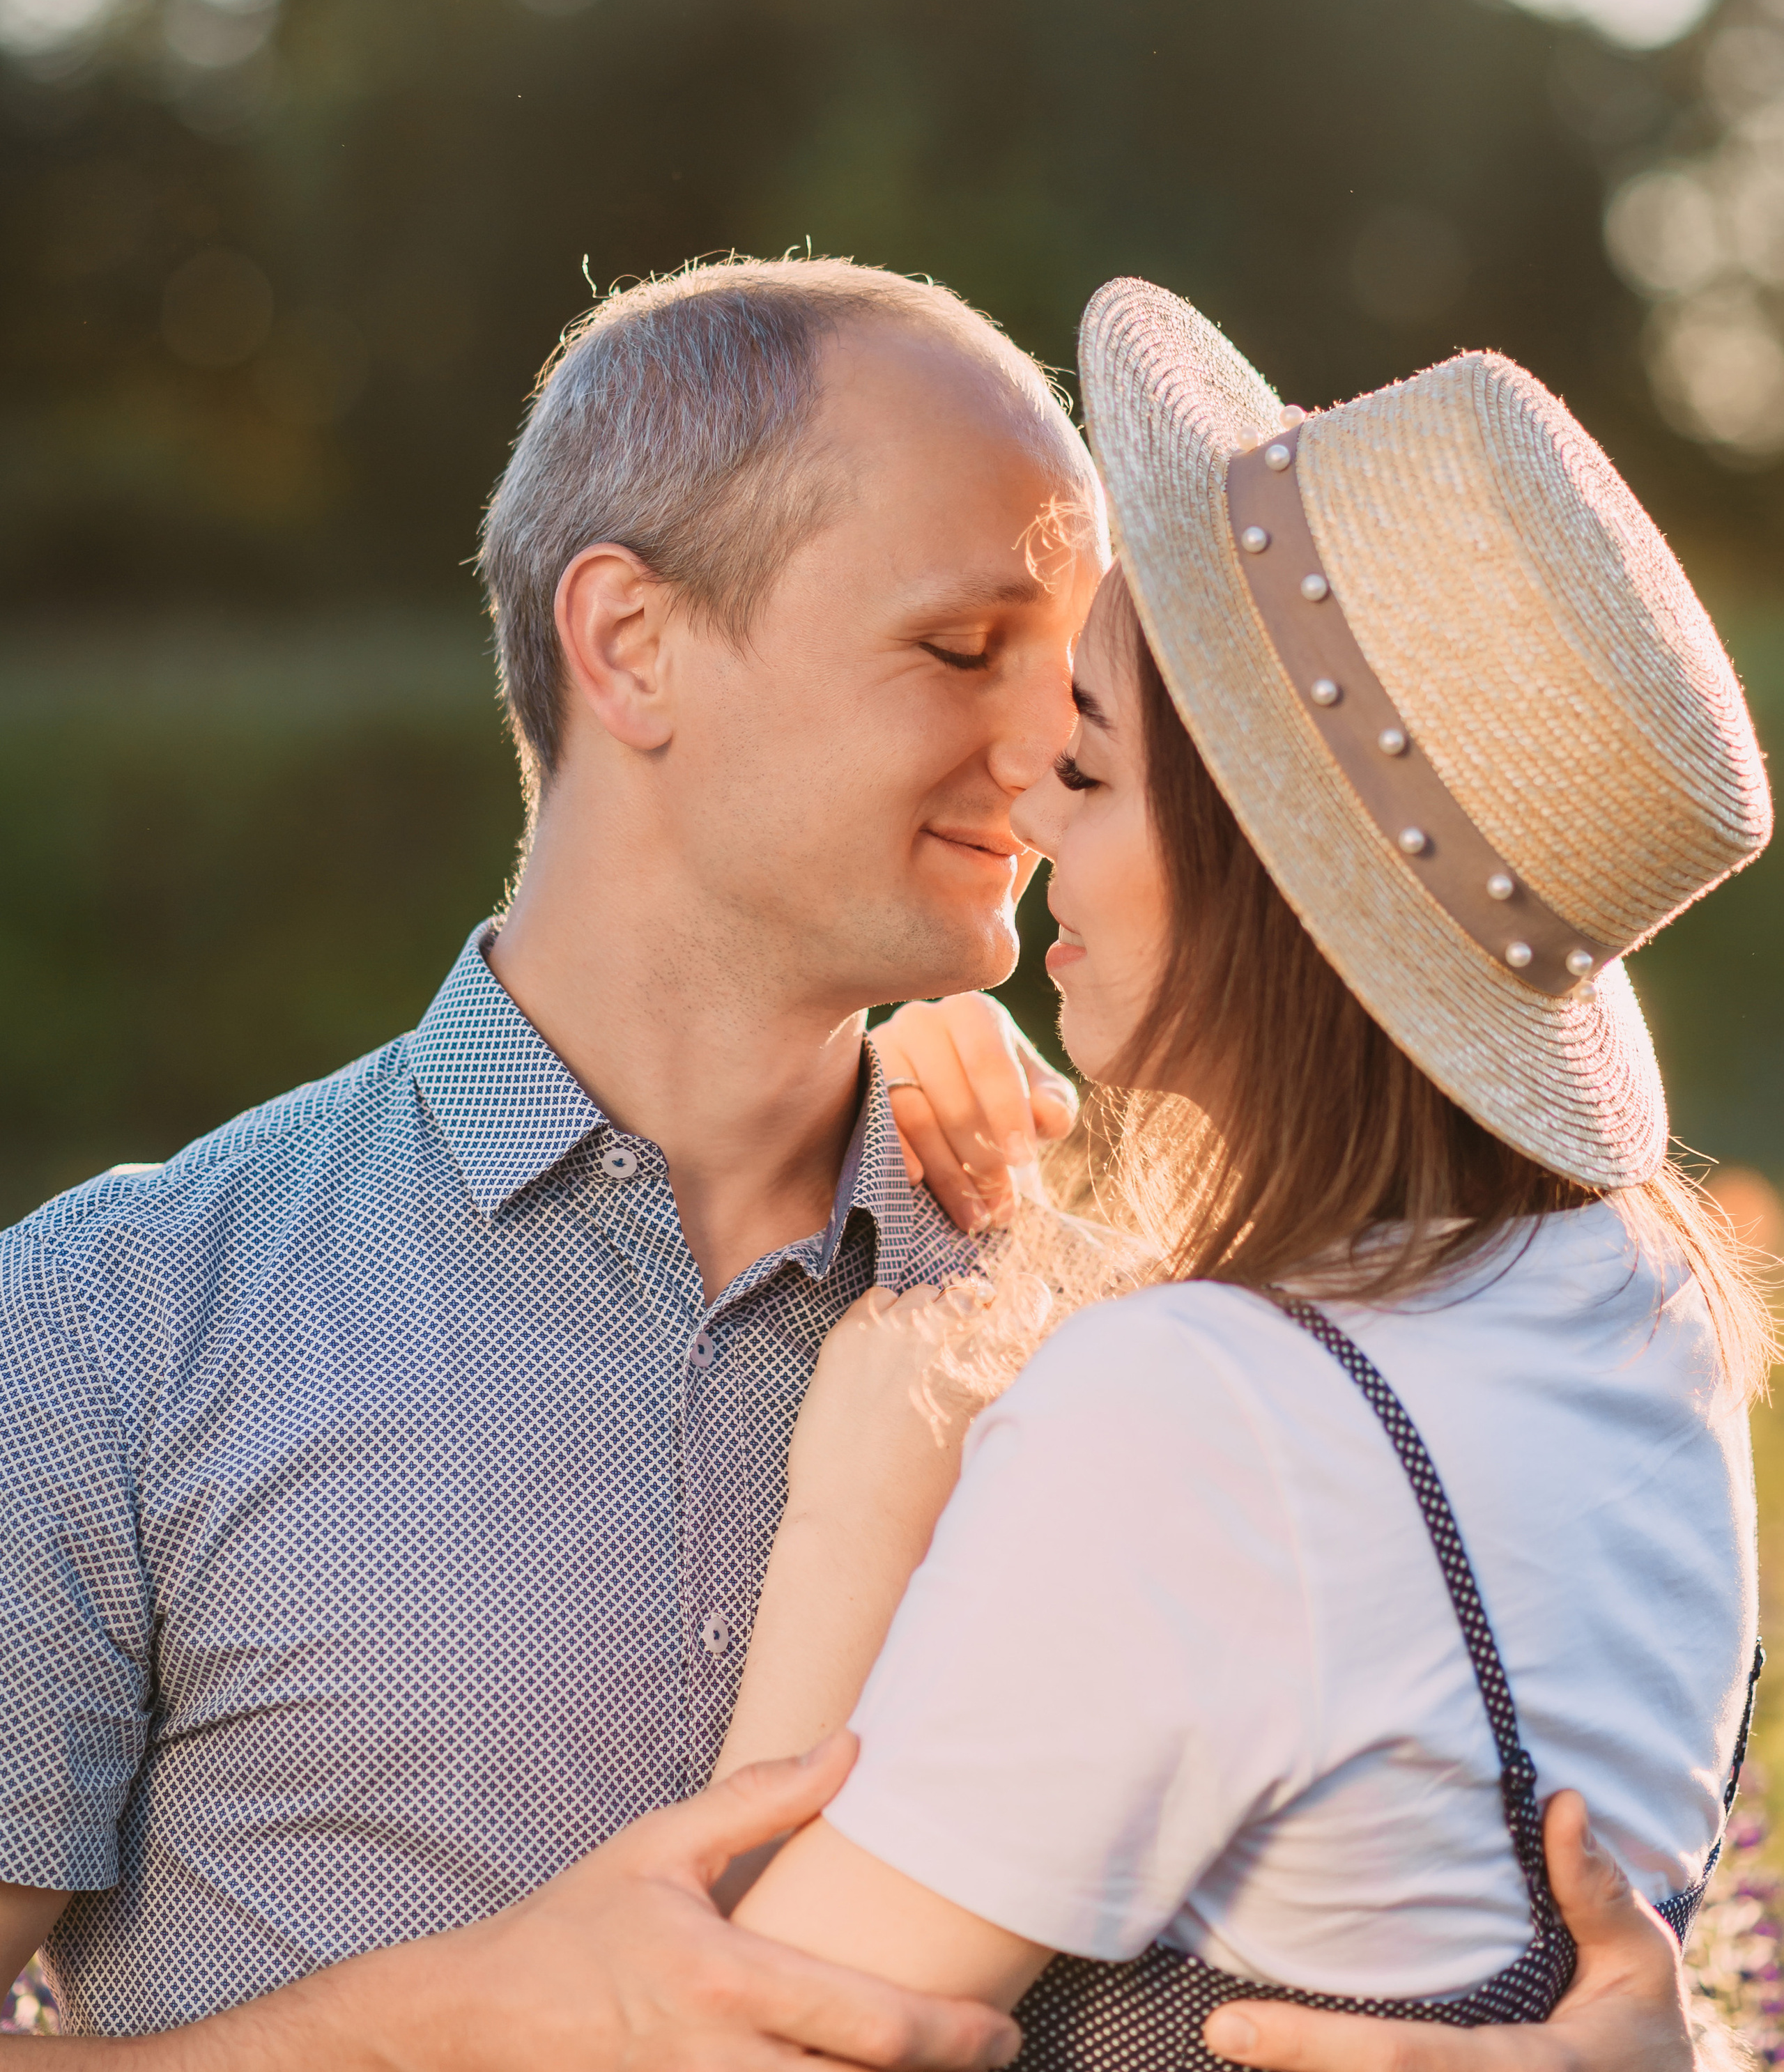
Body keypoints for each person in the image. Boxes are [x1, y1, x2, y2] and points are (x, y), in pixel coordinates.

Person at [0, 255, 1716, 2072]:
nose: (1046, 749)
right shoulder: (118, 1324)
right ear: (632, 645)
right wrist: (427, 2024)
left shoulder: (1148, 1330)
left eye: (1078, 688)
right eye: (964, 648)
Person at [722, 279, 1772, 2068]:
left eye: (1092, 764)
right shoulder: (1633, 1303)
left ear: (1270, 889)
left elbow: (734, 2039)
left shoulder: (1204, 1420)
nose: (1029, 808)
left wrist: (859, 1504)